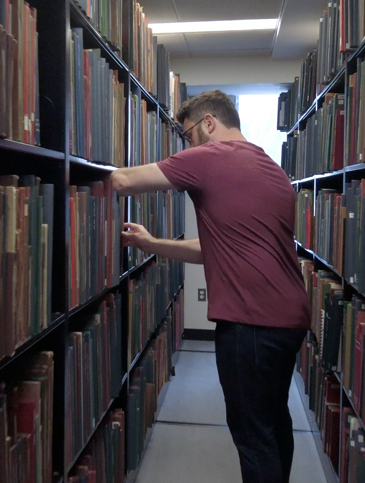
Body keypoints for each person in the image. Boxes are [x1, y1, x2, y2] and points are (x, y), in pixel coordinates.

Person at [110, 90, 310, 483]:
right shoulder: (269, 167)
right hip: (289, 321)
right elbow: (217, 248)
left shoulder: (209, 156)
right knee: (273, 424)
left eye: (187, 135)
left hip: (249, 322)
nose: (186, 146)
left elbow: (122, 181)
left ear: (208, 123)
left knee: (253, 438)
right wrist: (152, 244)